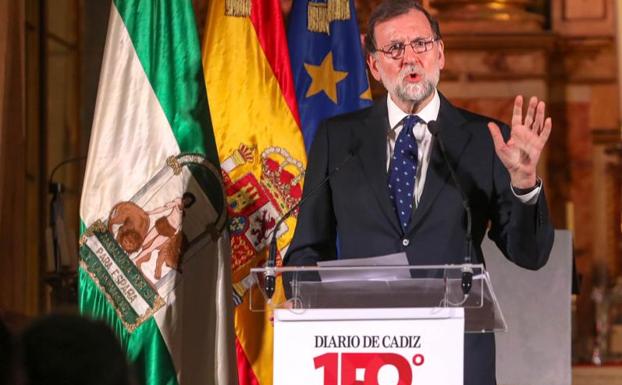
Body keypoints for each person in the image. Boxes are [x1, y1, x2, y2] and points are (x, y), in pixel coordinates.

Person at [283, 1, 554, 384]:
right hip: (362, 356)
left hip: (457, 358)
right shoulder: (338, 139)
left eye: (421, 44)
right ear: (374, 66)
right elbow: (307, 250)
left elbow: (531, 254)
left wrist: (524, 184)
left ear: (440, 53)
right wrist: (308, 301)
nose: (410, 58)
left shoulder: (485, 140)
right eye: (394, 49)